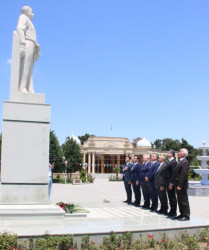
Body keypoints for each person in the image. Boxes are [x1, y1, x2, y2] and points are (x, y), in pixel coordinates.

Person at [17, 6, 40, 93]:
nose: (33, 14)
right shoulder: (23, 17)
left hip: (32, 44)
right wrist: (22, 44)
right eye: (31, 11)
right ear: (26, 12)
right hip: (28, 43)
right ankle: (22, 87)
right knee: (26, 65)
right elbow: (20, 28)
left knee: (30, 67)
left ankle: (29, 87)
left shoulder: (28, 21)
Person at [170, 148, 190, 221]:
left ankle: (186, 215)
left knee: (183, 200)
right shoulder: (179, 161)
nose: (178, 153)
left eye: (180, 152)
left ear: (184, 154)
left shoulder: (185, 162)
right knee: (179, 200)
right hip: (177, 184)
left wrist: (180, 185)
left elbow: (183, 175)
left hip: (181, 185)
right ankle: (182, 213)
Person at [164, 149, 177, 217]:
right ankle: (171, 210)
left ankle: (174, 211)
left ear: (172, 154)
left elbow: (173, 173)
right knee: (170, 197)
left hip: (170, 183)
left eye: (168, 153)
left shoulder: (173, 162)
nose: (167, 154)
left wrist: (171, 183)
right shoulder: (169, 162)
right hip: (167, 182)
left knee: (172, 197)